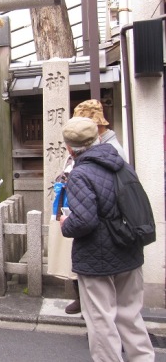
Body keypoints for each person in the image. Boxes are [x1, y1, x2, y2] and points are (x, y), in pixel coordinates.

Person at [59, 117, 154, 361]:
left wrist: (65, 224)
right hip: (129, 248)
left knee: (101, 321)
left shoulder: (80, 173)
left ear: (70, 147)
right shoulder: (122, 164)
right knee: (131, 316)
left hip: (96, 257)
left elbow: (85, 221)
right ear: (98, 138)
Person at [57, 100, 127, 315]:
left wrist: (67, 225)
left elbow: (92, 214)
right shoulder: (94, 150)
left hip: (102, 232)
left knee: (102, 312)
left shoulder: (111, 151)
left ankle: (105, 339)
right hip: (94, 221)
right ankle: (82, 300)